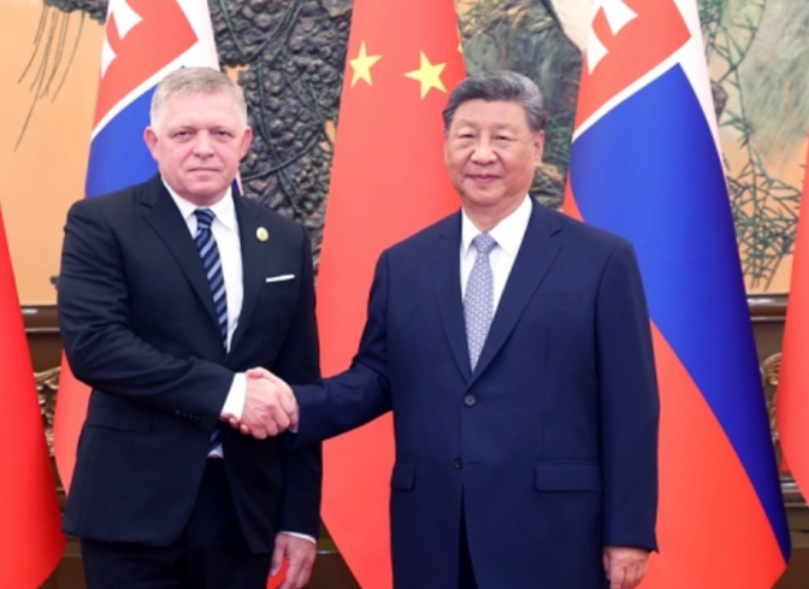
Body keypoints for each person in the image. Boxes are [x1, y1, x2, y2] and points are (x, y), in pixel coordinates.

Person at [247, 70, 660, 589]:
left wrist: (629, 531)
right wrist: (290, 404)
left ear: (536, 147)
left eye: (502, 137)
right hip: (435, 531)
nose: (482, 154)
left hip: (554, 533)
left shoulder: (600, 259)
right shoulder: (405, 263)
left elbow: (630, 405)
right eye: (467, 136)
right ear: (446, 145)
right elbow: (376, 378)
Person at [57, 67, 321, 589]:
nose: (203, 148)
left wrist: (298, 518)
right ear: (153, 142)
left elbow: (298, 384)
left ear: (244, 142)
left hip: (244, 512)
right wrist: (229, 392)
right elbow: (96, 347)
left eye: (220, 133)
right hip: (132, 508)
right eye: (184, 133)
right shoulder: (101, 223)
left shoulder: (284, 239)